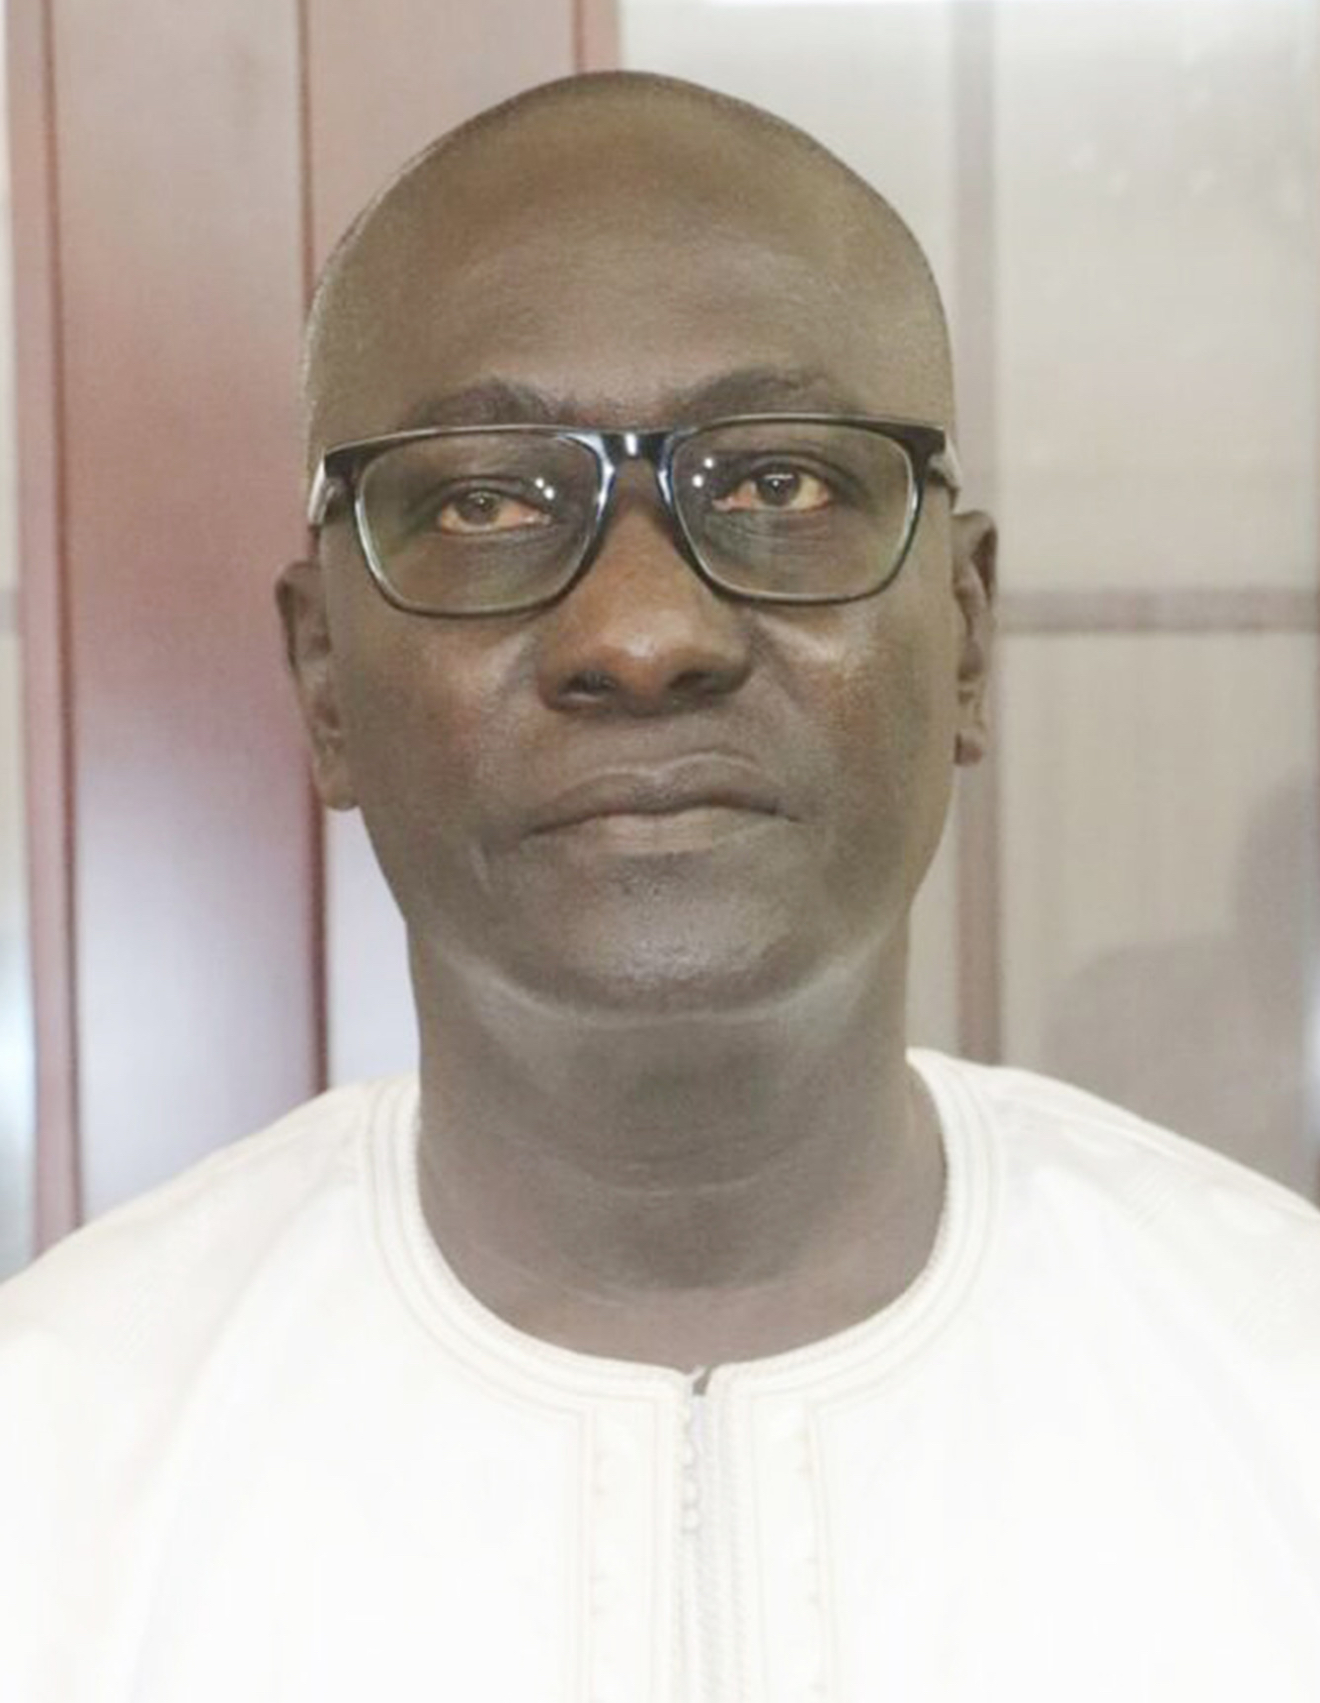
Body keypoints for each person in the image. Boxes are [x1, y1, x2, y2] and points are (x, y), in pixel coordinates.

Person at [1, 70, 1317, 1703]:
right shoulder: (52, 1480)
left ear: (967, 639)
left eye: (778, 484)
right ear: (326, 679)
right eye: (487, 498)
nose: (642, 635)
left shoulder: (1279, 1390)